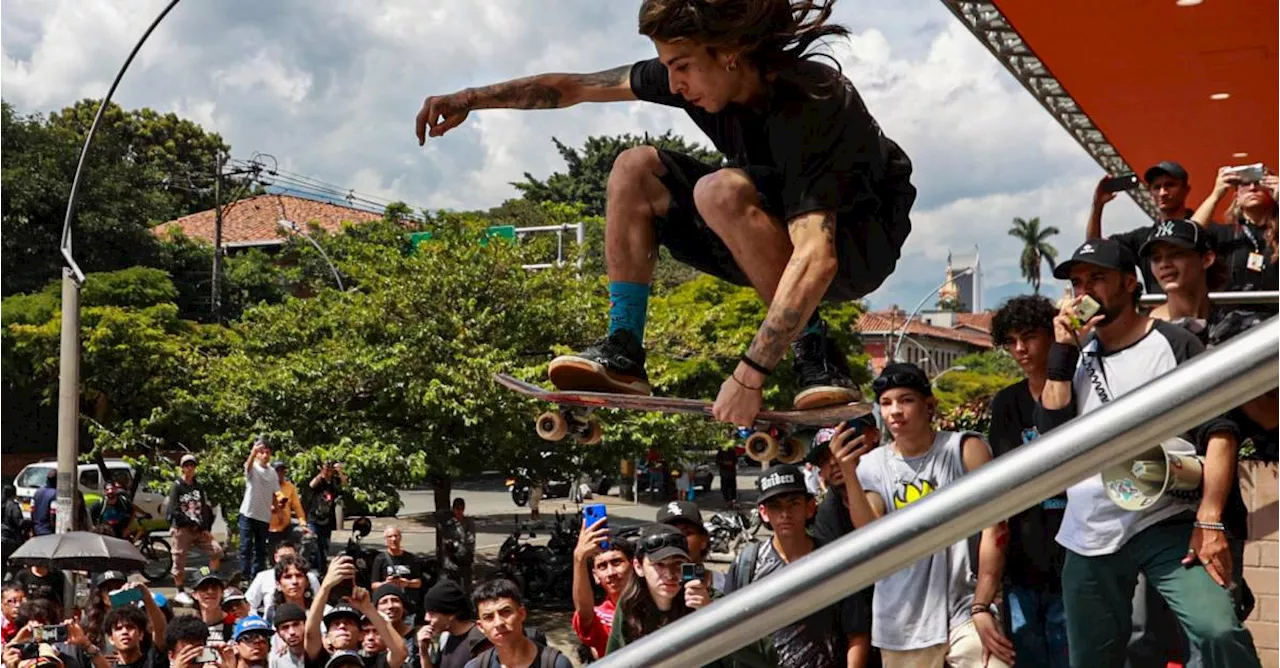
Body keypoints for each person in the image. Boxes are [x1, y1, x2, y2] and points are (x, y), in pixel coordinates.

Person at [416, 0, 917, 426]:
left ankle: (817, 359)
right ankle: (624, 351)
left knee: (719, 191)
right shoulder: (691, 73)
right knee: (635, 168)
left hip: (856, 242)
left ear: (729, 54)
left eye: (682, 66)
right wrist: (471, 99)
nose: (674, 85)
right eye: (667, 67)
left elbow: (817, 258)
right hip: (771, 229)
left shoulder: (813, 100)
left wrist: (748, 377)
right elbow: (575, 87)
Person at [1036, 238, 1262, 668]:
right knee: (1091, 659)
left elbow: (1220, 432)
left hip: (1165, 519)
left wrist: (1210, 519)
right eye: (1078, 283)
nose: (1085, 292)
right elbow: (1051, 439)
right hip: (1090, 529)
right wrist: (1062, 350)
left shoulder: (1175, 343)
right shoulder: (1077, 356)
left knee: (1218, 630)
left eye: (1097, 279)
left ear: (1128, 283)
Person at [830, 362, 1013, 668]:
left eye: (906, 400)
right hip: (902, 618)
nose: (895, 411)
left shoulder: (965, 449)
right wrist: (848, 473)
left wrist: (982, 605)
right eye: (886, 404)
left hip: (965, 608)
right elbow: (870, 532)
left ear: (930, 405)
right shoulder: (873, 465)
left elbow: (995, 529)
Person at [986, 295, 1068, 667]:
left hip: (1075, 558)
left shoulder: (1078, 387)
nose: (1020, 349)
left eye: (1030, 336)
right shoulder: (1006, 404)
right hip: (1023, 563)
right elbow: (1007, 478)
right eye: (1011, 340)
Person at [725, 464, 871, 667]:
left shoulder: (833, 561)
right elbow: (729, 634)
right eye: (776, 506)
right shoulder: (747, 564)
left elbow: (857, 632)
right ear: (764, 513)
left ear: (810, 507)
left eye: (793, 503)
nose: (785, 513)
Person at [1087, 161, 1199, 293]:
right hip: (1158, 311)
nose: (1163, 193)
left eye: (1170, 185)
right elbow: (1094, 248)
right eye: (1157, 187)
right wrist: (1097, 205)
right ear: (1150, 193)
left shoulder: (1203, 229)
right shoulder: (1142, 237)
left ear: (1186, 190)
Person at [605, 524, 710, 653]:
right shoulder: (629, 604)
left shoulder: (708, 599)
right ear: (638, 567)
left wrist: (710, 614)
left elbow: (737, 659)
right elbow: (614, 659)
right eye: (659, 564)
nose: (670, 574)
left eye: (678, 563)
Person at [306, 556, 408, 668]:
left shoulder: (373, 663)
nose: (342, 626)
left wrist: (368, 608)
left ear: (361, 635)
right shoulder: (321, 661)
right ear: (326, 637)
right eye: (335, 624)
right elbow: (310, 634)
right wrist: (325, 587)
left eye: (349, 622)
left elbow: (400, 652)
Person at [463, 579, 570, 668]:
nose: (499, 623)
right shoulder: (476, 666)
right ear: (481, 627)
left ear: (521, 614)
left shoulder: (556, 664)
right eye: (488, 617)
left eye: (506, 612)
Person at [571, 516, 634, 660]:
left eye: (617, 562)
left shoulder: (654, 603)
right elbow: (584, 612)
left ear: (634, 565)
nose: (611, 573)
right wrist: (578, 559)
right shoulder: (600, 617)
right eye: (602, 566)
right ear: (595, 576)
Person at [169, 454, 224, 607]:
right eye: (186, 465)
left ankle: (213, 581)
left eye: (192, 465)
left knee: (216, 550)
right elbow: (173, 509)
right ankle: (180, 590)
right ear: (182, 468)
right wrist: (188, 522)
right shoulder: (177, 486)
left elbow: (205, 508)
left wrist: (206, 527)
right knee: (179, 560)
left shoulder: (198, 486)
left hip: (199, 528)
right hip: (182, 528)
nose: (189, 468)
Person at [415, 580, 486, 668]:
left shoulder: (479, 641)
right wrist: (423, 651)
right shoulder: (445, 638)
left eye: (432, 613)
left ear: (451, 615)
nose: (427, 618)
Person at [241, 437, 281, 582]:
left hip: (264, 516)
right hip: (248, 514)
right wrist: (252, 452)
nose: (264, 455)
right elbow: (247, 466)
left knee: (260, 550)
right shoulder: (253, 468)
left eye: (267, 452)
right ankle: (244, 577)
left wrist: (279, 511)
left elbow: (276, 493)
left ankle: (256, 577)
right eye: (261, 452)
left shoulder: (272, 472)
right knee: (245, 547)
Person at [247, 542, 321, 619]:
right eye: (283, 557)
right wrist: (257, 623)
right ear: (276, 557)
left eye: (290, 556)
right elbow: (249, 603)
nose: (294, 581)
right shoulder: (263, 577)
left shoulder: (310, 576)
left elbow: (319, 599)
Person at [307, 462, 347, 565]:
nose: (328, 471)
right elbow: (311, 485)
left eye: (330, 469)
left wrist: (339, 471)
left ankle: (322, 566)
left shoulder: (334, 481)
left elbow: (344, 483)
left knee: (324, 545)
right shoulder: (319, 480)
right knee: (314, 543)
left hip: (327, 519)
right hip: (315, 518)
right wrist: (321, 473)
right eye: (326, 468)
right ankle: (315, 566)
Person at [268, 462, 309, 550]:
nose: (280, 474)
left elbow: (297, 507)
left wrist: (303, 523)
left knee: (302, 542)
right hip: (269, 528)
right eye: (277, 471)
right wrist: (274, 508)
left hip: (285, 527)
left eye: (282, 471)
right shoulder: (265, 485)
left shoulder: (290, 487)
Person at [0, 485, 28, 581]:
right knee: (16, 565)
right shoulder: (13, 506)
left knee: (2, 565)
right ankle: (10, 583)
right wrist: (29, 523)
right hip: (11, 540)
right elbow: (19, 523)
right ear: (14, 494)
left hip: (1, 539)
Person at [270, 602, 307, 668]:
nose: (292, 632)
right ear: (278, 633)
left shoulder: (320, 653)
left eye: (296, 625)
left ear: (305, 625)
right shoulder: (277, 660)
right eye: (285, 627)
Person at [31, 470, 57, 537]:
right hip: (48, 531)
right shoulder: (55, 494)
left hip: (36, 529)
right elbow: (53, 515)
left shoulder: (37, 492)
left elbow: (32, 511)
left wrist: (33, 527)